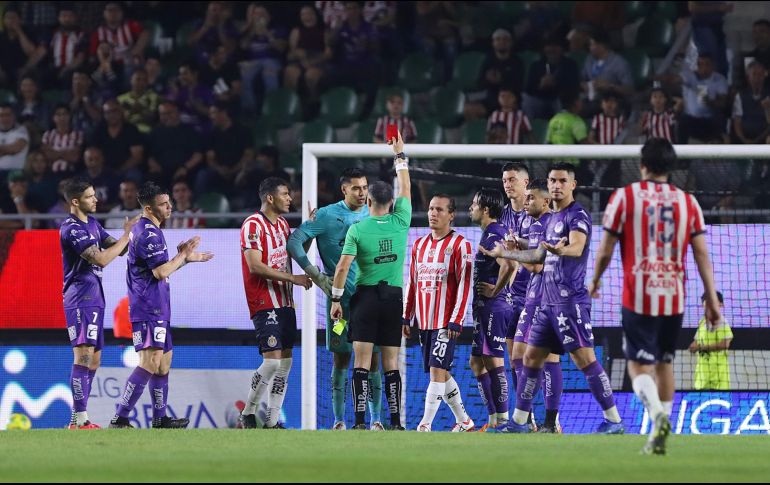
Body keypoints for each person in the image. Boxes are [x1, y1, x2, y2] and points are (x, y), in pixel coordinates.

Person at [590, 138, 721, 454]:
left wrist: (594, 279)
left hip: (639, 294)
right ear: (672, 168)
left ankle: (658, 416)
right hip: (674, 294)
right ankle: (658, 435)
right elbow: (701, 253)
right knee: (664, 363)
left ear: (642, 165)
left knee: (637, 366)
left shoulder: (625, 198)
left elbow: (606, 248)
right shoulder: (688, 202)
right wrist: (712, 299)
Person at [482, 162, 624, 435]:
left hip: (568, 302)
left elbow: (577, 246)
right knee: (530, 359)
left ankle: (614, 420)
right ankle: (520, 423)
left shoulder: (576, 214)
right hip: (545, 303)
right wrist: (507, 252)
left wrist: (562, 250)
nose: (557, 185)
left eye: (562, 181)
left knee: (585, 361)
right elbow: (537, 257)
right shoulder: (551, 219)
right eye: (552, 180)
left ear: (572, 185)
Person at [287, 168, 386, 430]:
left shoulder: (374, 213)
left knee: (374, 360)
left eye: (365, 187)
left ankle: (376, 420)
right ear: (344, 190)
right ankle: (339, 421)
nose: (362, 192)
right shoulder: (326, 215)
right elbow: (294, 242)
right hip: (339, 305)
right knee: (341, 358)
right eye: (356, 187)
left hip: (370, 302)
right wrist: (317, 276)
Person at [109, 182, 214, 429]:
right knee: (150, 362)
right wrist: (183, 256)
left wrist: (186, 259)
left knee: (164, 361)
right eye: (164, 204)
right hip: (148, 307)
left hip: (158, 306)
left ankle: (160, 418)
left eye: (169, 202)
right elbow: (159, 272)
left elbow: (161, 269)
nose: (170, 206)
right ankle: (120, 417)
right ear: (149, 207)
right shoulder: (148, 233)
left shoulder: (150, 229)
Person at [330, 130, 411, 431]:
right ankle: (394, 422)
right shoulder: (401, 219)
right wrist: (399, 155)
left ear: (369, 203)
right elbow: (406, 188)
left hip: (364, 298)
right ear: (392, 202)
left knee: (361, 362)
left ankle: (360, 421)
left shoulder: (358, 229)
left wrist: (337, 299)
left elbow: (341, 268)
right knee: (391, 363)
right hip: (393, 298)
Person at [59, 178, 138, 429]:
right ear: (75, 201)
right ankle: (80, 419)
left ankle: (77, 417)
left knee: (93, 361)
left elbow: (119, 249)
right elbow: (102, 259)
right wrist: (126, 235)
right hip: (79, 297)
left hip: (95, 297)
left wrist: (131, 234)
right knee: (82, 357)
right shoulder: (71, 228)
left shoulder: (92, 224)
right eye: (90, 196)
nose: (96, 199)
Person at [238, 177, 313, 429]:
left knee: (285, 363)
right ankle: (248, 412)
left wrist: (310, 230)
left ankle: (271, 421)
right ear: (270, 198)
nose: (290, 198)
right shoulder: (252, 224)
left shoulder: (282, 225)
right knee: (271, 361)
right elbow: (255, 266)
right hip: (263, 301)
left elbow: (293, 253)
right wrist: (294, 278)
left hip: (286, 302)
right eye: (285, 194)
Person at [403, 194, 475, 432]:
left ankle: (425, 424)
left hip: (446, 322)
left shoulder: (460, 245)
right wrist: (407, 315)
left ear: (451, 215)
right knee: (441, 373)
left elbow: (465, 285)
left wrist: (456, 319)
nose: (433, 213)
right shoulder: (419, 245)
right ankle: (464, 420)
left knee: (436, 370)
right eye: (431, 209)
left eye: (440, 210)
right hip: (424, 322)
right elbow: (412, 283)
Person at [499, 165, 563, 432]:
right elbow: (529, 251)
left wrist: (513, 253)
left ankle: (551, 420)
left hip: (549, 298)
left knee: (549, 360)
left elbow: (537, 265)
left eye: (531, 198)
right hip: (527, 297)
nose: (526, 202)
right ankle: (526, 418)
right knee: (517, 357)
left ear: (544, 199)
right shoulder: (528, 221)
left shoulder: (554, 223)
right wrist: (518, 245)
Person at [468, 187, 516, 432]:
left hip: (494, 307)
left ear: (485, 209)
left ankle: (504, 420)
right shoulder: (492, 233)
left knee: (494, 361)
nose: (471, 208)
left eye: (474, 204)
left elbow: (511, 263)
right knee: (476, 362)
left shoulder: (494, 233)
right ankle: (494, 419)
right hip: (485, 308)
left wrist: (496, 291)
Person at [690, 291, 732, 391]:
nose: (708, 303)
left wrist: (701, 347)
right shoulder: (702, 322)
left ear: (720, 304)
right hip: (701, 379)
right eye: (705, 300)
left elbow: (725, 344)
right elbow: (695, 342)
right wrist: (693, 347)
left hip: (718, 381)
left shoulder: (722, 322)